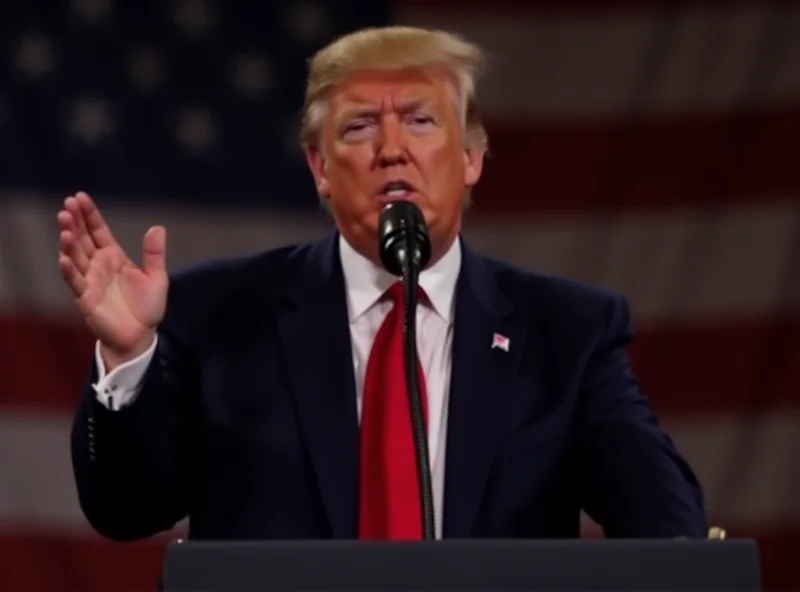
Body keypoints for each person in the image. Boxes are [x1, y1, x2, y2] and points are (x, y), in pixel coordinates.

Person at [60, 26, 707, 542]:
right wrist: (128, 358)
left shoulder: (567, 333)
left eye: (421, 122)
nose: (391, 149)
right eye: (359, 127)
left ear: (472, 157)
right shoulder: (218, 314)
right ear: (319, 167)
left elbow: (663, 522)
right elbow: (127, 512)